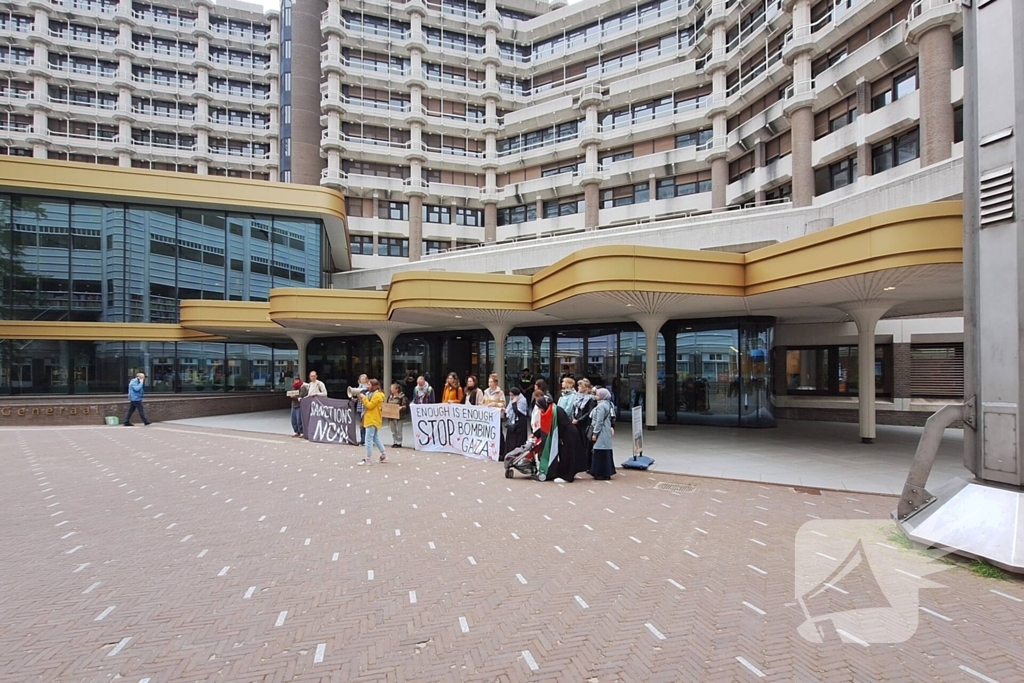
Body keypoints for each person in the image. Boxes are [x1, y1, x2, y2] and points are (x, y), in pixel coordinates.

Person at [550, 401, 586, 483]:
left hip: (568, 434)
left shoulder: (556, 411)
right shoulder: (557, 409)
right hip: (569, 433)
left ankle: (567, 476)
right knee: (568, 454)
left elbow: (560, 425)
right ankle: (570, 472)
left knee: (567, 454)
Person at [357, 379, 387, 465]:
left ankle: (368, 458)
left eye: (369, 384)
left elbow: (370, 406)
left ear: (374, 386)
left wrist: (363, 398)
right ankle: (383, 454)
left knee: (368, 439)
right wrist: (362, 398)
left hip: (372, 419)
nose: (367, 386)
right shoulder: (373, 394)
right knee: (375, 437)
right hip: (373, 418)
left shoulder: (377, 395)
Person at [589, 387, 616, 480]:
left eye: (597, 395)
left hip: (602, 432)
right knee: (606, 451)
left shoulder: (600, 407)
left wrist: (595, 433)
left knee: (599, 451)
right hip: (606, 431)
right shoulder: (609, 405)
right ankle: (607, 472)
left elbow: (599, 421)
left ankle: (599, 472)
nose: (595, 396)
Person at [572, 378, 597, 470]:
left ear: (585, 388)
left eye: (580, 386)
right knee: (579, 444)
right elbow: (575, 409)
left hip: (585, 424)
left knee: (586, 444)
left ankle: (587, 464)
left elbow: (589, 413)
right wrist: (574, 418)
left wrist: (579, 420)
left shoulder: (591, 399)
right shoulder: (577, 397)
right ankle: (580, 463)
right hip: (577, 422)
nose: (578, 387)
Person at [482, 373, 506, 456]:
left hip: (496, 417)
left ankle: (501, 451)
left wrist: (494, 404)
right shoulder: (486, 392)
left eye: (491, 382)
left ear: (495, 383)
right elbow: (483, 402)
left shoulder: (500, 393)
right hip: (488, 416)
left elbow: (503, 404)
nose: (489, 384)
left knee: (499, 433)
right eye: (489, 382)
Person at [503, 386, 529, 461]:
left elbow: (518, 412)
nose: (511, 397)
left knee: (517, 440)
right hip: (513, 422)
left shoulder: (522, 400)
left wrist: (514, 404)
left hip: (519, 424)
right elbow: (509, 409)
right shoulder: (512, 400)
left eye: (512, 395)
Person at [386, 382, 408, 448]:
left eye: (392, 388)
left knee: (399, 430)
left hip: (399, 416)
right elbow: (387, 404)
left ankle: (399, 442)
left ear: (397, 389)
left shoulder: (402, 397)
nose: (391, 389)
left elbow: (405, 405)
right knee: (393, 430)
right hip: (391, 416)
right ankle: (394, 441)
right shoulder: (390, 397)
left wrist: (401, 407)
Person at [352, 373, 369, 445]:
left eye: (364, 379)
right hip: (359, 408)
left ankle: (365, 439)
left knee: (365, 424)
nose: (363, 380)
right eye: (362, 379)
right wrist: (354, 399)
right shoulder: (358, 388)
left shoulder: (367, 388)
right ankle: (362, 439)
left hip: (365, 408)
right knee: (361, 425)